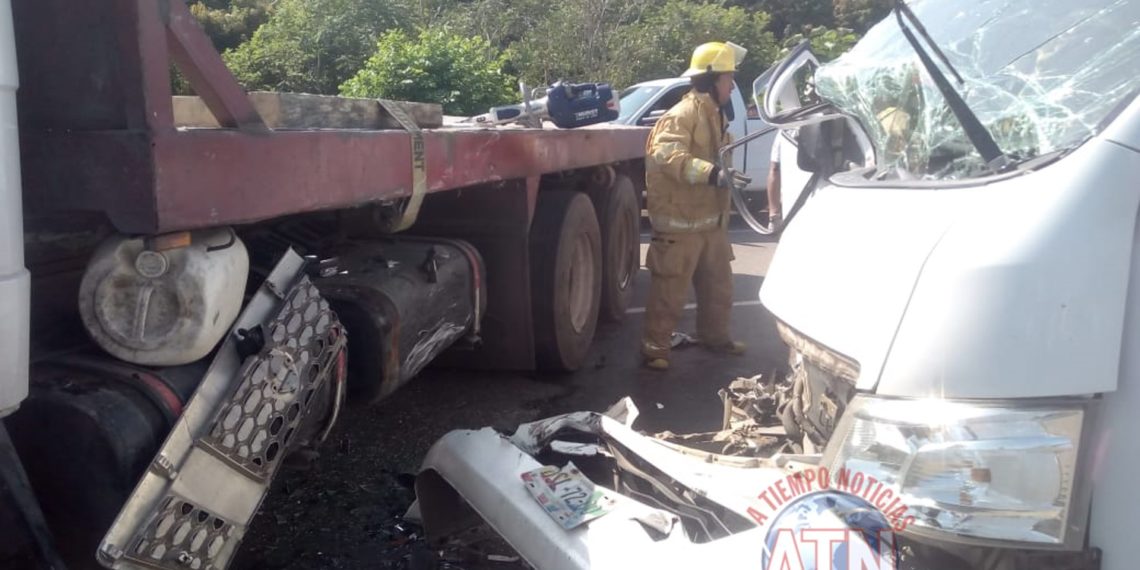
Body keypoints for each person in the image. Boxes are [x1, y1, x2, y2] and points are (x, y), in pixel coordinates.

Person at [641, 41, 751, 371]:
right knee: (669, 291)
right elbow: (668, 156)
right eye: (728, 78)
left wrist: (724, 177)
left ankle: (715, 338)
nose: (732, 86)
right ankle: (655, 349)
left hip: (710, 224)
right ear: (712, 79)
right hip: (680, 224)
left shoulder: (715, 115)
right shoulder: (682, 115)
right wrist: (714, 174)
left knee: (719, 288)